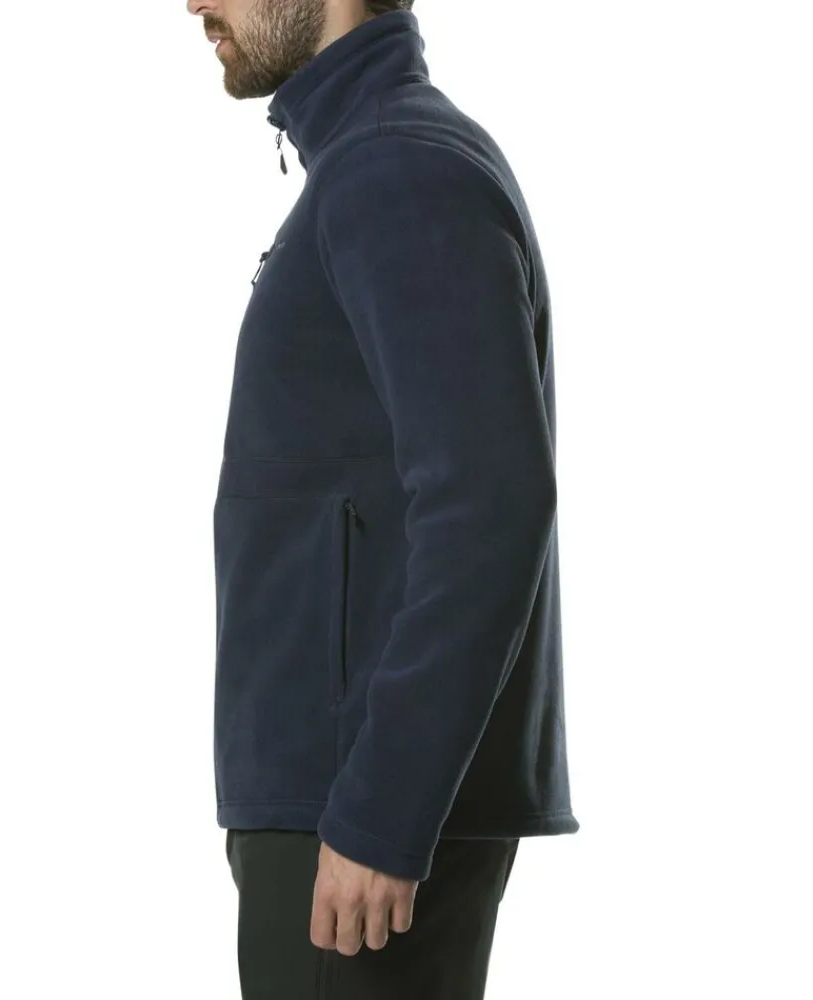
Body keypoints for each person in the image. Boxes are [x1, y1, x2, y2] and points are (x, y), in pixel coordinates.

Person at [185, 2, 580, 996]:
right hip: (337, 800)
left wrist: (382, 809)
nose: (190, 1)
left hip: (355, 818)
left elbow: (488, 505)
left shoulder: (397, 169)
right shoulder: (368, 164)